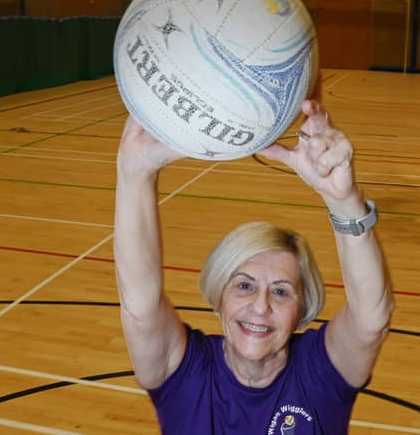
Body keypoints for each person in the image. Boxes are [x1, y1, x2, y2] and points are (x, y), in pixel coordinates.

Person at [113, 97, 394, 434]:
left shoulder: (319, 373)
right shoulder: (183, 372)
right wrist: (135, 173)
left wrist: (345, 203)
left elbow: (370, 320)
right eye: (244, 286)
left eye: (281, 291)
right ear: (219, 297)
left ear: (302, 308)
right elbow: (141, 306)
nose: (261, 307)